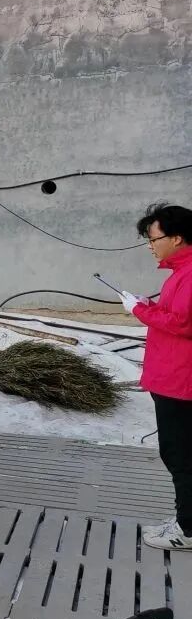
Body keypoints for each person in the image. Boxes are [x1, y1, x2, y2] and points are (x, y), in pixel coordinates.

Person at [122, 203, 192, 550]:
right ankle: (185, 518)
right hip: (172, 376)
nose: (150, 246)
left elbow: (184, 323)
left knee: (181, 455)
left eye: (153, 239)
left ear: (176, 238)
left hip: (181, 382)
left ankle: (188, 530)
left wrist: (139, 310)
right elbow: (175, 313)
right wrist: (148, 306)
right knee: (179, 454)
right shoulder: (181, 272)